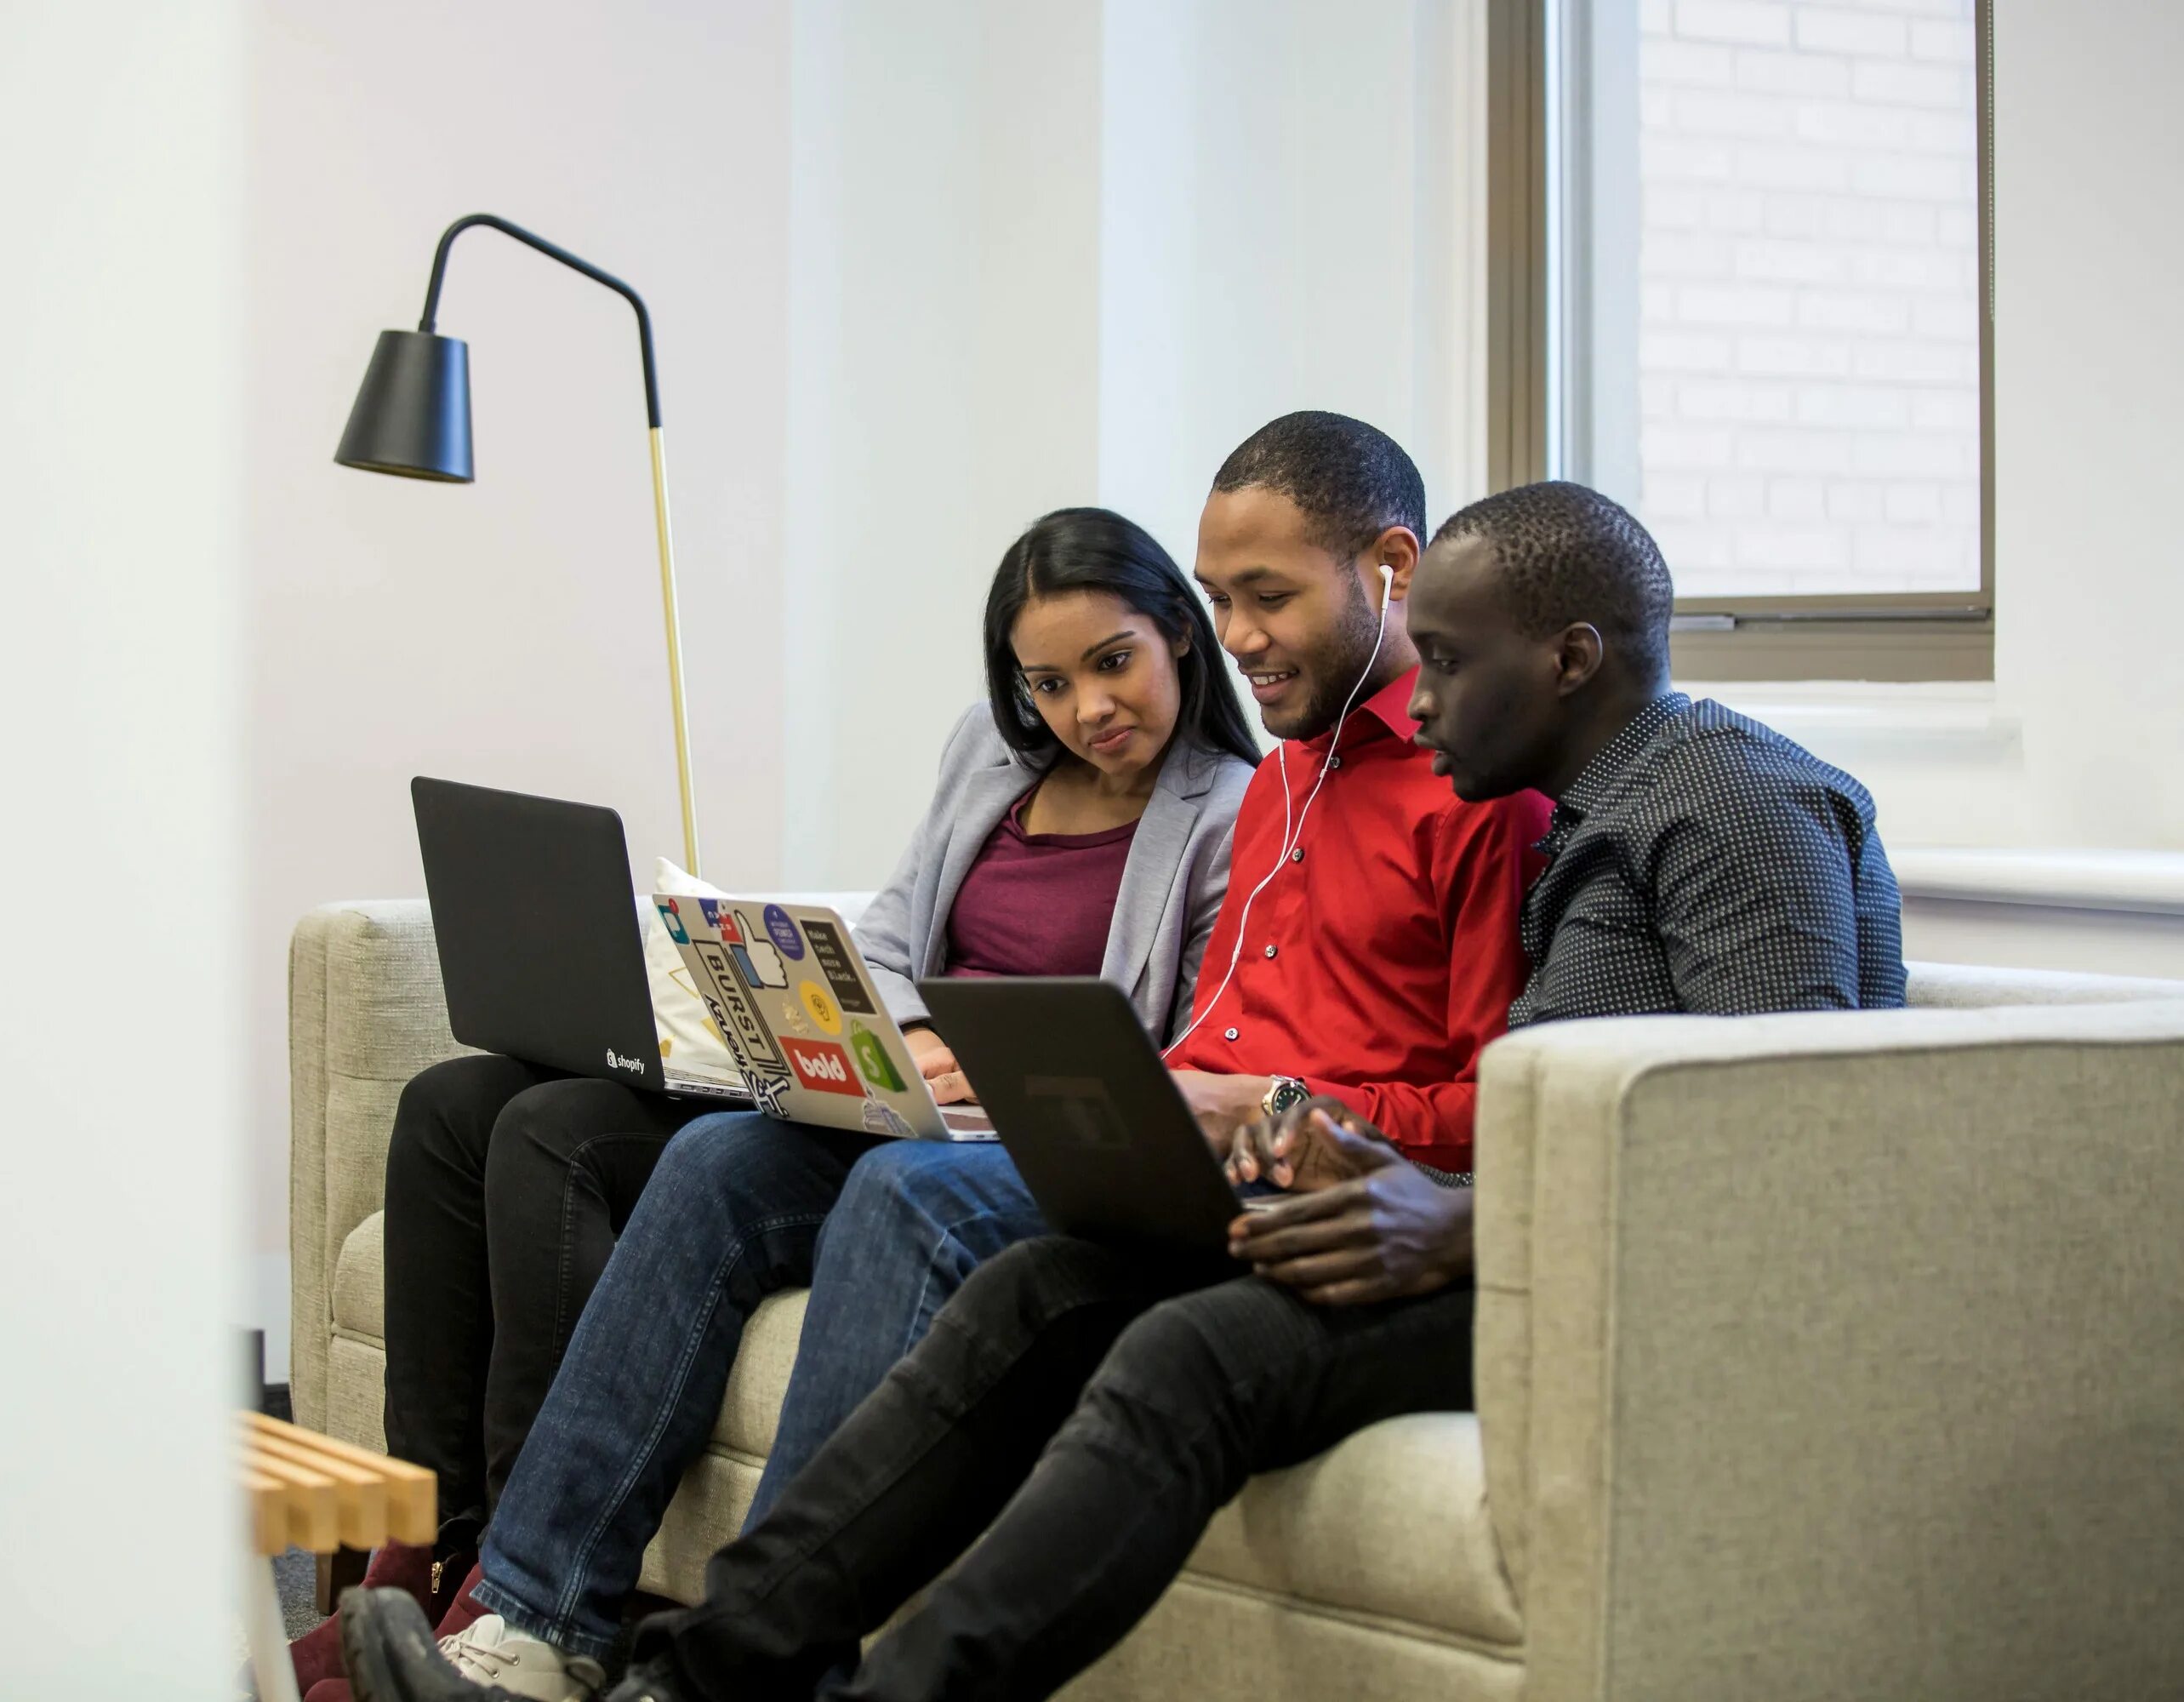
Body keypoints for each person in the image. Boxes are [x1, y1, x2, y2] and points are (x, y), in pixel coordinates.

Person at [333, 478, 1907, 1702]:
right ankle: (682, 1659)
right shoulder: (1557, 804)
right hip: (1385, 1199)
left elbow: (1760, 1154)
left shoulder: (1733, 805)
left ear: (1568, 657)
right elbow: (1524, 1083)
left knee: (1175, 1359)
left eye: (1441, 660)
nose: (1417, 703)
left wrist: (1452, 1220)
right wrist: (1221, 1110)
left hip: (1538, 1270)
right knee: (1025, 1294)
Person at [288, 503, 1258, 1698]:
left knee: (728, 1162)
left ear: (1178, 632)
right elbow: (898, 938)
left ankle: (722, 1652)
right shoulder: (989, 759)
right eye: (1048, 683)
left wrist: (991, 1071)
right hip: (915, 1098)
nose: (1086, 709)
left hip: (1023, 1140)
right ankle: (537, 1627)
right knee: (712, 1162)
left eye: (1112, 664)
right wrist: (901, 1029)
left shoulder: (1230, 812)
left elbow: (1179, 1045)